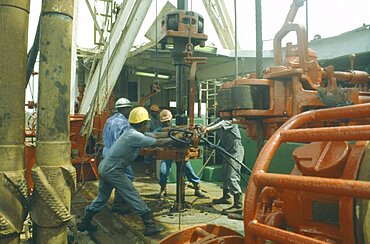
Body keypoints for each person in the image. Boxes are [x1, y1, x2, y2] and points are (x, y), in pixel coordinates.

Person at [77, 107, 175, 236]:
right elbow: (158, 141)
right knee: (132, 194)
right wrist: (177, 139)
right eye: (146, 124)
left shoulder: (131, 131)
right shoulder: (134, 136)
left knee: (101, 198)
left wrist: (173, 133)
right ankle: (149, 225)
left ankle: (84, 222)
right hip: (113, 171)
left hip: (104, 167)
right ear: (143, 124)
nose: (147, 127)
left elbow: (155, 135)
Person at [155, 109, 206, 198]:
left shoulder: (179, 129)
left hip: (181, 152)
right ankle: (163, 189)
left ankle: (197, 188)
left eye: (167, 121)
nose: (166, 123)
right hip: (167, 153)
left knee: (189, 171)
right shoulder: (159, 131)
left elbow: (190, 134)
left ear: (171, 120)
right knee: (163, 172)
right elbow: (153, 137)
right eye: (164, 122)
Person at [204, 118, 245, 214]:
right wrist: (204, 127)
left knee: (232, 176)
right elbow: (214, 123)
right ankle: (226, 197)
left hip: (235, 151)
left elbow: (219, 125)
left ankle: (238, 205)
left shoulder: (231, 120)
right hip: (227, 150)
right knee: (225, 173)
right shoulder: (221, 119)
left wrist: (207, 130)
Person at [101, 97, 133, 214]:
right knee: (127, 176)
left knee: (108, 178)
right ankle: (119, 204)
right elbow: (123, 141)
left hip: (106, 152)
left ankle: (95, 209)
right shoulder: (124, 123)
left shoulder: (109, 120)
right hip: (117, 155)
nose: (129, 111)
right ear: (124, 109)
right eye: (129, 109)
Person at [144, 103, 161, 175]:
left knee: (156, 155)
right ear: (151, 111)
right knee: (148, 155)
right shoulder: (148, 119)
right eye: (154, 112)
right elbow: (147, 129)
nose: (156, 113)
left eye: (157, 112)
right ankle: (149, 169)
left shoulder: (159, 118)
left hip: (158, 138)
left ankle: (154, 170)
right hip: (150, 138)